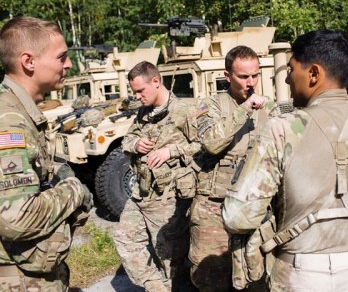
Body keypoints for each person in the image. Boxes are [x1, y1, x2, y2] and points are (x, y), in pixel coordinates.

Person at [222, 30, 348, 291]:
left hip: (299, 275)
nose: (288, 79)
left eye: (291, 70)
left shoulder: (282, 130)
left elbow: (238, 217)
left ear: (313, 73)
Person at [0, 16, 93, 291]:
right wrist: (74, 191)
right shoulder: (9, 121)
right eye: (61, 57)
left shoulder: (20, 110)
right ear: (29, 62)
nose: (68, 64)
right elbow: (15, 217)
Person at [189, 45, 283, 291]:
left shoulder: (271, 109)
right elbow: (210, 142)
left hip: (256, 208)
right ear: (227, 76)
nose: (251, 82)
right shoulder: (211, 105)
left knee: (257, 277)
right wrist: (245, 109)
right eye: (243, 76)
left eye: (255, 75)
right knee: (211, 277)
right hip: (214, 208)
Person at [113, 61, 200, 292]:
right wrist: (136, 143)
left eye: (141, 91)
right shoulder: (143, 113)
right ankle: (156, 287)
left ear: (156, 81)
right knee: (125, 240)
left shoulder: (185, 110)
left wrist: (171, 150)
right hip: (141, 193)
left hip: (167, 196)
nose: (137, 96)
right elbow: (126, 141)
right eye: (134, 92)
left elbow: (205, 145)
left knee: (169, 256)